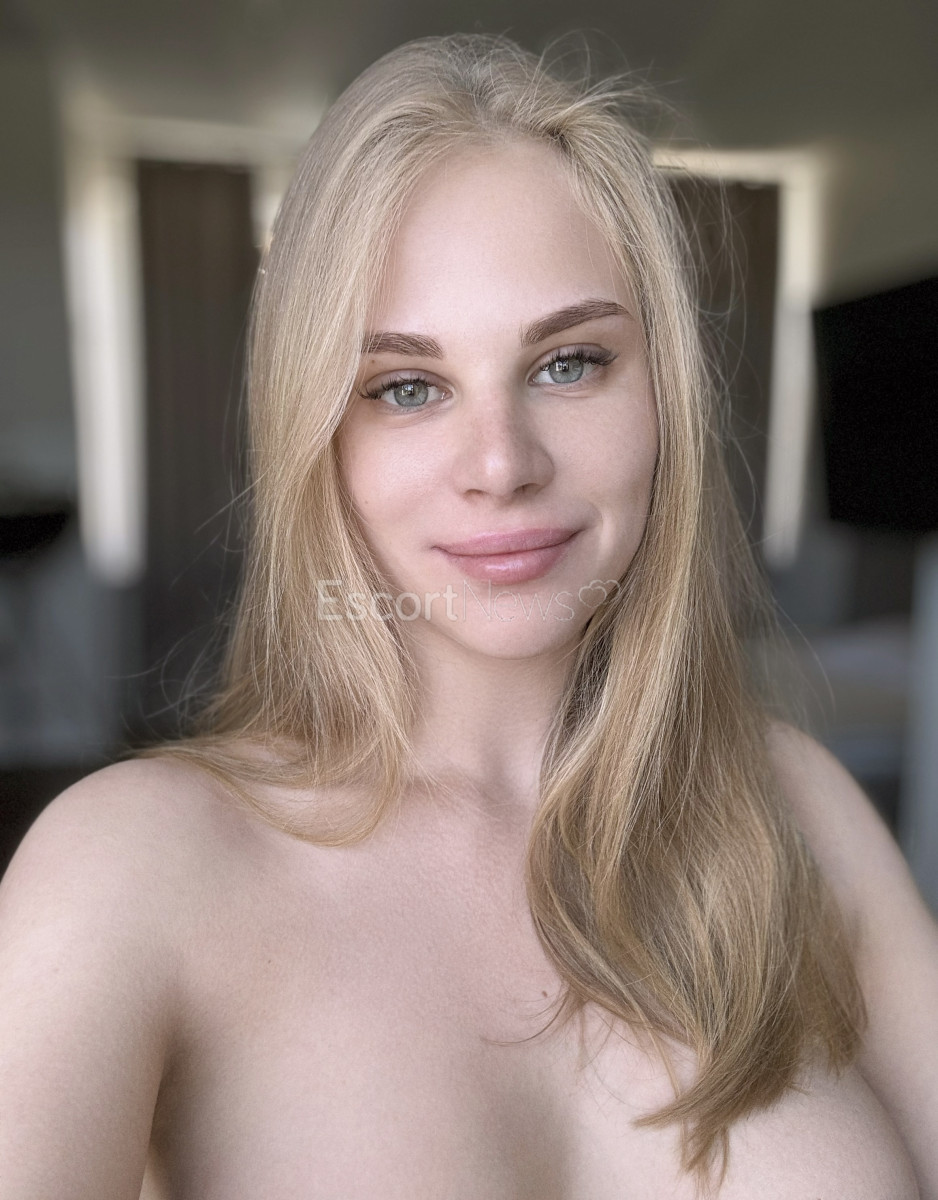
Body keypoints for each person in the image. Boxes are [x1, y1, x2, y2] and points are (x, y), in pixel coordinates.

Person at [1, 33, 935, 1200]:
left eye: (569, 363)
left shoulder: (801, 811)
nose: (499, 465)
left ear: (664, 395)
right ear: (314, 434)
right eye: (405, 387)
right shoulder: (127, 869)